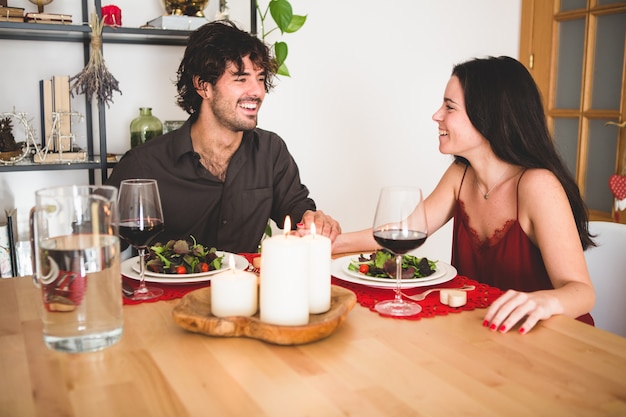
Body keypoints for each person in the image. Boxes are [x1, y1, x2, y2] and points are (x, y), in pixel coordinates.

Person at [333, 56, 595, 334]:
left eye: (449, 107)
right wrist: (330, 244)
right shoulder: (460, 176)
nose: (437, 115)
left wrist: (543, 301)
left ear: (488, 115)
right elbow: (403, 231)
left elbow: (582, 292)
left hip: (553, 339)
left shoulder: (537, 185)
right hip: (489, 335)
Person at [106, 20, 340, 253]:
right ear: (203, 86)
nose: (258, 91)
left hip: (247, 288)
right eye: (241, 78)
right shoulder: (144, 164)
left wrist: (313, 218)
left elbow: (297, 209)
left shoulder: (271, 150)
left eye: (260, 78)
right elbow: (99, 244)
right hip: (174, 290)